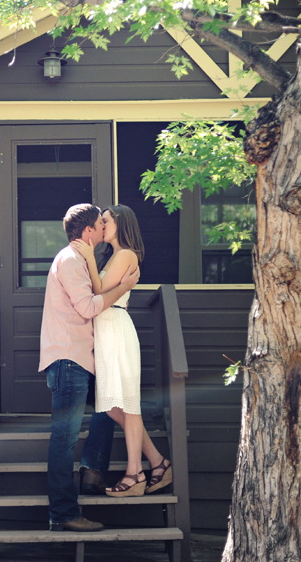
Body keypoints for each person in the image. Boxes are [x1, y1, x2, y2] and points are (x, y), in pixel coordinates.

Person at [40, 203, 140, 532]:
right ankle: (65, 513)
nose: (103, 228)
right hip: (69, 360)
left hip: (79, 359)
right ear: (88, 231)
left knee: (106, 408)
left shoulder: (79, 261)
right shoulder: (71, 261)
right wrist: (123, 289)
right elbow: (87, 307)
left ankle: (92, 476)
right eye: (100, 223)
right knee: (64, 439)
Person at [72, 205, 173, 497]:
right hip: (106, 329)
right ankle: (157, 462)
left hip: (115, 327)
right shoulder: (114, 256)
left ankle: (135, 473)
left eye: (105, 220)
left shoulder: (125, 254)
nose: (102, 225)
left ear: (120, 223)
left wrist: (89, 256)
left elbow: (99, 287)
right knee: (114, 406)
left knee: (127, 404)